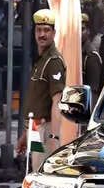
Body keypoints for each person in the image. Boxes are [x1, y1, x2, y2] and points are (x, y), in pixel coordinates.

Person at [16, 9, 66, 171]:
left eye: (47, 30)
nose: (42, 34)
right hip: (36, 129)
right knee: (35, 171)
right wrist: (26, 134)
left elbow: (57, 102)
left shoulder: (54, 61)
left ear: (54, 33)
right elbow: (36, 103)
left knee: (41, 174)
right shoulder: (41, 60)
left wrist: (54, 137)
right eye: (39, 30)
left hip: (45, 130)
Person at [81, 13, 102, 107]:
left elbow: (93, 92)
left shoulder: (91, 56)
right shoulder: (74, 52)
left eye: (82, 29)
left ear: (88, 31)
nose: (79, 32)